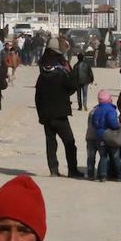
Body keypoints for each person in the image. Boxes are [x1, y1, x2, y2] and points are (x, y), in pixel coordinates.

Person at [34, 49, 83, 178]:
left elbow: (37, 98)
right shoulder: (61, 75)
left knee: (51, 144)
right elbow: (72, 87)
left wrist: (40, 115)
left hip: (46, 115)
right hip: (60, 114)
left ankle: (53, 170)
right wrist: (69, 72)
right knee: (69, 142)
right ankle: (72, 170)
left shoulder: (41, 77)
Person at [86, 89, 121, 182]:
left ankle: (103, 175)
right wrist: (118, 126)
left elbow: (94, 123)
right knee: (115, 156)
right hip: (109, 135)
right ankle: (119, 175)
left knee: (103, 156)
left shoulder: (96, 110)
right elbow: (113, 123)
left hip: (99, 135)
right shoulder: (111, 110)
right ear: (110, 99)